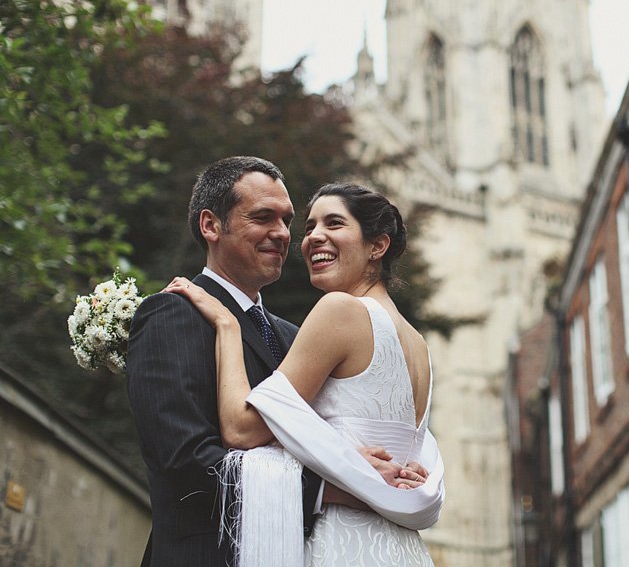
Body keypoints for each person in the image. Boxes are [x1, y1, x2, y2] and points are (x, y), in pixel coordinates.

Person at [127, 159, 435, 567]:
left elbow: (306, 442)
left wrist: (353, 469)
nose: (284, 234)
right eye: (263, 217)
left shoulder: (297, 335)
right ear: (211, 225)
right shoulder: (173, 314)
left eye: (288, 220)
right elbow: (185, 463)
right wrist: (338, 485)